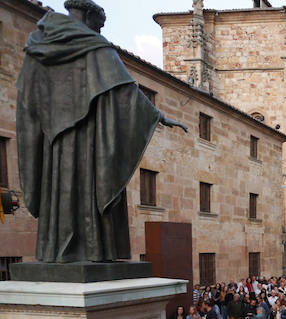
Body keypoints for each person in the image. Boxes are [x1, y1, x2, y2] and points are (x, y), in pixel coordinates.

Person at [16, 0, 187, 263]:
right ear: (88, 16)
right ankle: (95, 249)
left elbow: (28, 97)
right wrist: (158, 115)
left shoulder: (38, 45)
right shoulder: (96, 47)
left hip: (56, 142)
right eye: (100, 25)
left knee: (62, 187)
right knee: (92, 183)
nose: (100, 30)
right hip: (88, 142)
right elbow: (125, 91)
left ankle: (57, 250)